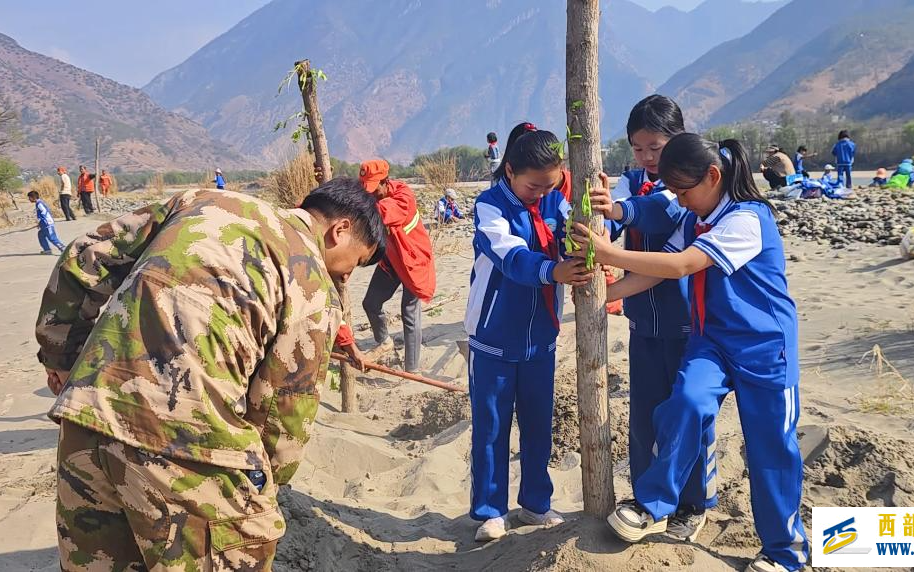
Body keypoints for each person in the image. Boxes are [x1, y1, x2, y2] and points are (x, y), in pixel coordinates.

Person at [36, 181, 385, 570]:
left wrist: (62, 357)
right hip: (187, 443)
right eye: (357, 262)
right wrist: (261, 485)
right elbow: (283, 409)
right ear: (341, 230)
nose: (348, 275)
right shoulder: (310, 279)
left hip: (86, 418)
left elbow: (85, 258)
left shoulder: (199, 200)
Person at [576, 133, 808, 572]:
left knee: (770, 449)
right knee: (684, 403)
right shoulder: (693, 218)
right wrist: (605, 292)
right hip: (713, 343)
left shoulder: (747, 219)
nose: (680, 201)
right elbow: (656, 273)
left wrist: (610, 252)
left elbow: (682, 265)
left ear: (713, 176)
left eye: (684, 191)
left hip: (765, 350)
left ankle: (784, 552)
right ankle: (654, 504)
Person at [465, 124, 593, 542]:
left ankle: (535, 504)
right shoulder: (489, 207)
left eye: (548, 185)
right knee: (492, 425)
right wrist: (552, 270)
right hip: (493, 336)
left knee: (539, 423)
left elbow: (570, 235)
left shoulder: (555, 200)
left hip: (541, 336)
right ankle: (490, 510)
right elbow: (511, 257)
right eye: (533, 186)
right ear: (509, 171)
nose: (540, 193)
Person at [604, 94, 716, 541]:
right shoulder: (627, 183)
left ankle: (694, 501)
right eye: (638, 148)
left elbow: (654, 213)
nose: (649, 157)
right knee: (644, 417)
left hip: (686, 323)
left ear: (678, 141)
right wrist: (597, 217)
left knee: (687, 417)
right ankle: (648, 499)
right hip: (642, 322)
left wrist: (616, 211)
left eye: (656, 146)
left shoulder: (682, 188)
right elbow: (610, 221)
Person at [360, 159, 436, 373]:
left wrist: (355, 206)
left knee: (409, 312)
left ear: (385, 182)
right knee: (370, 303)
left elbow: (380, 212)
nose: (371, 194)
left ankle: (411, 369)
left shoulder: (403, 197)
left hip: (413, 261)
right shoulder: (371, 197)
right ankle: (384, 341)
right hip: (392, 260)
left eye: (374, 190)